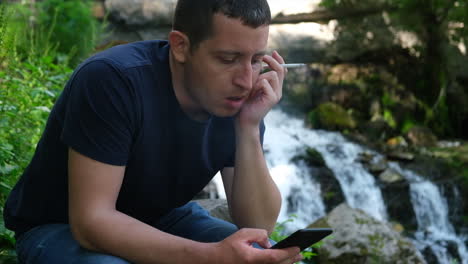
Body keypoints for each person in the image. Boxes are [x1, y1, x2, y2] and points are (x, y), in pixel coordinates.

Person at [3, 0, 303, 263]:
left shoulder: (237, 96)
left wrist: (248, 126)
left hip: (165, 217)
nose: (246, 79)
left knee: (264, 256)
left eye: (255, 60)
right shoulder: (113, 80)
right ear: (180, 46)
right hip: (58, 227)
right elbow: (91, 223)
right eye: (228, 59)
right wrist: (212, 257)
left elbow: (258, 224)